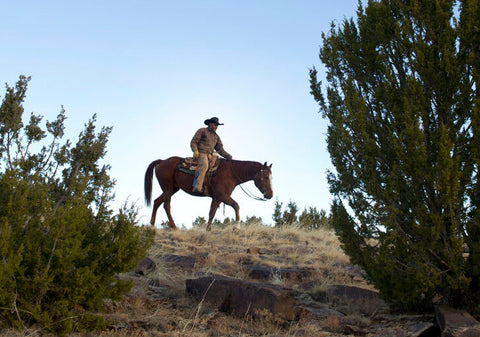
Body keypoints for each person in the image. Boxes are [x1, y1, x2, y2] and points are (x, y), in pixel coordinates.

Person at [190, 117, 232, 193]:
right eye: (214, 124)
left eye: (217, 125)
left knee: (219, 167)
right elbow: (194, 141)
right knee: (205, 165)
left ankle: (211, 187)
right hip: (201, 153)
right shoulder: (202, 130)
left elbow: (220, 149)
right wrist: (195, 150)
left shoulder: (216, 137)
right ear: (210, 124)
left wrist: (228, 156)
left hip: (211, 155)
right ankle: (197, 186)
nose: (216, 127)